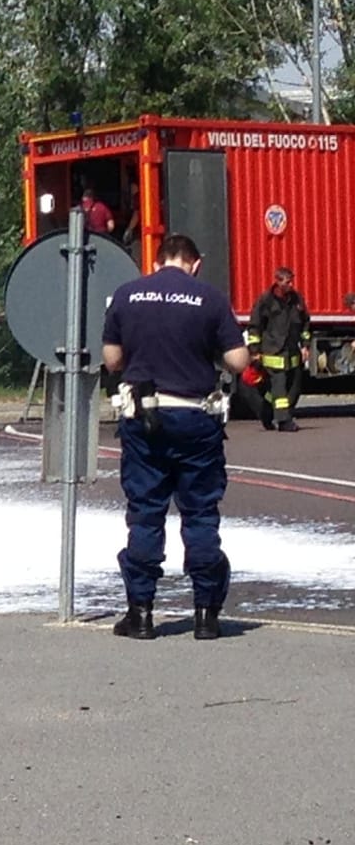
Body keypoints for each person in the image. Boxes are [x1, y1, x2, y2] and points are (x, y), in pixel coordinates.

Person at [101, 233, 250, 641]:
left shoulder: (126, 296)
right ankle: (206, 615)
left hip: (145, 418)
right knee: (200, 513)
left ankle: (142, 614)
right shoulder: (210, 298)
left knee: (146, 513)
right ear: (194, 262)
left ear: (156, 259)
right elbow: (238, 361)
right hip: (196, 420)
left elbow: (112, 360)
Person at [246, 266, 313, 432]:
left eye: (291, 281)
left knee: (293, 389)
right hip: (273, 352)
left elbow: (305, 323)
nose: (290, 285)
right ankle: (284, 421)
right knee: (279, 387)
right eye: (287, 282)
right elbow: (255, 326)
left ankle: (267, 411)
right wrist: (254, 351)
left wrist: (305, 346)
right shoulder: (266, 301)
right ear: (278, 281)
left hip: (292, 353)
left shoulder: (297, 299)